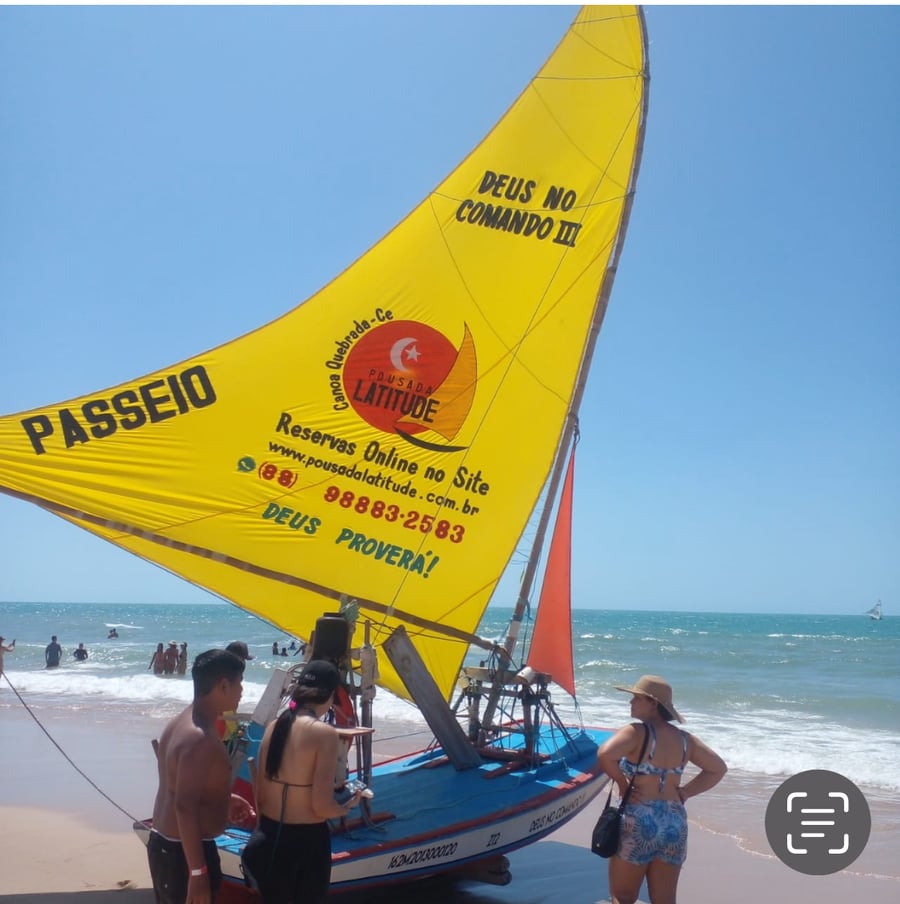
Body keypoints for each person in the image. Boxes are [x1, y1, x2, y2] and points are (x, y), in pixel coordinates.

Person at [596, 675, 726, 904]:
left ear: (653, 703)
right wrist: (685, 792)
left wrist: (623, 784)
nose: (631, 703)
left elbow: (605, 754)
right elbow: (717, 769)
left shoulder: (636, 732)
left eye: (636, 698)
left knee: (623, 897)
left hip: (639, 818)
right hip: (674, 822)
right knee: (665, 900)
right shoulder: (686, 740)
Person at [241, 660, 363, 903]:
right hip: (305, 844)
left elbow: (261, 797)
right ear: (330, 696)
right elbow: (320, 806)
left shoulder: (274, 726)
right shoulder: (324, 734)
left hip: (269, 837)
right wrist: (346, 806)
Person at [148, 648, 255, 904]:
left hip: (167, 846)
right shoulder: (201, 738)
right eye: (239, 683)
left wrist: (222, 797)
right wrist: (198, 872)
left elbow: (178, 784)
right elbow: (184, 806)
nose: (242, 691)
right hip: (184, 856)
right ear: (223, 685)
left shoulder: (181, 722)